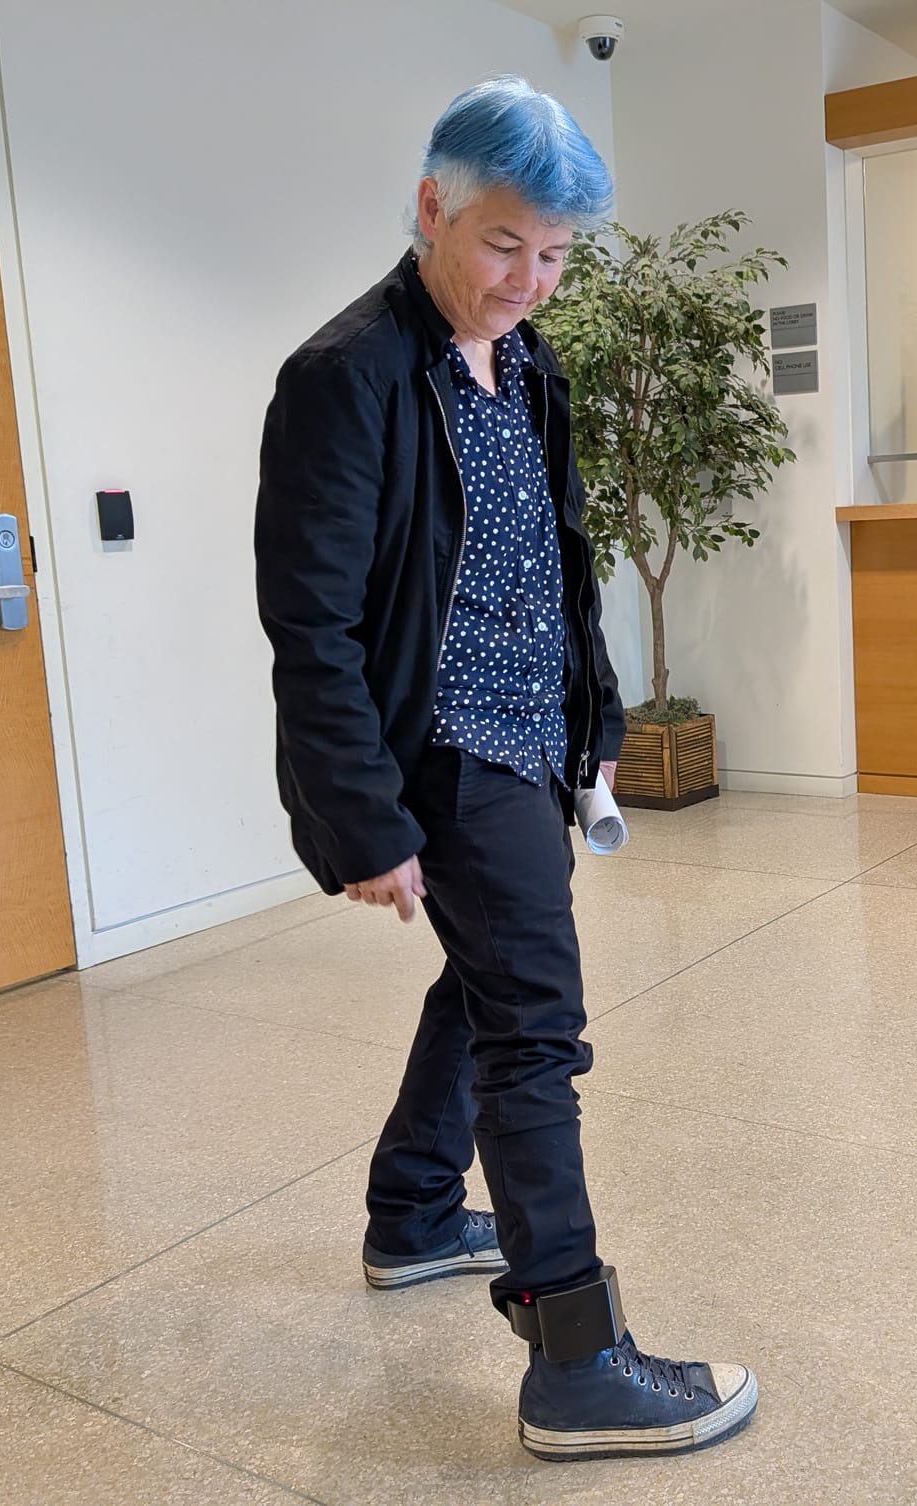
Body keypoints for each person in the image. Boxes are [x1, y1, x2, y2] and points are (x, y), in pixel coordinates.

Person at [252, 77, 757, 1462]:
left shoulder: (526, 363)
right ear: (431, 206)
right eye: (502, 245)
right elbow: (313, 622)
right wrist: (362, 814)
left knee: (485, 985)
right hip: (444, 752)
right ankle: (576, 1359)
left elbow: (555, 559)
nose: (529, 282)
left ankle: (415, 1209)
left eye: (555, 255)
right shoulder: (346, 375)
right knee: (535, 1023)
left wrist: (592, 713)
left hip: (533, 738)